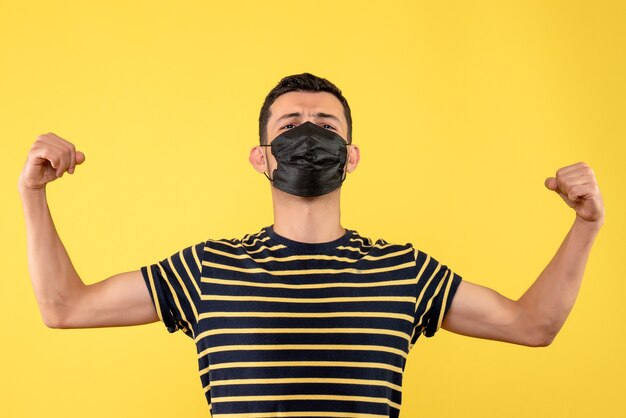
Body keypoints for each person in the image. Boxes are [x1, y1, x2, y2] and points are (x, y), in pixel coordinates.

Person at [18, 73, 604, 418]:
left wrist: (585, 226)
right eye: (290, 124)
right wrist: (32, 193)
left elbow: (533, 325)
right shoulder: (206, 269)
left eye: (326, 125)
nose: (308, 133)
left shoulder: (404, 271)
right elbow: (64, 308)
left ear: (350, 157)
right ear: (261, 157)